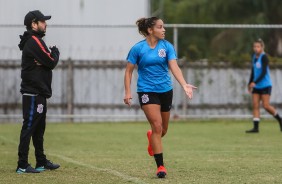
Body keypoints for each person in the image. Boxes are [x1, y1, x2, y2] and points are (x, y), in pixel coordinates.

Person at [124, 17, 196, 178]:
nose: (164, 30)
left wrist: (184, 84)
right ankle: (161, 167)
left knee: (163, 130)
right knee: (157, 126)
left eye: (163, 27)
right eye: (160, 27)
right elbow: (128, 71)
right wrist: (128, 92)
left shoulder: (167, 47)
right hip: (147, 91)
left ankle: (152, 137)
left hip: (165, 91)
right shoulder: (137, 49)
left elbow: (174, 66)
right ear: (150, 30)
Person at [16, 10, 60, 173]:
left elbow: (46, 62)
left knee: (39, 128)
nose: (45, 24)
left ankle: (41, 161)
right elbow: (50, 62)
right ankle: (22, 164)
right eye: (42, 21)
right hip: (33, 92)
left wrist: (48, 59)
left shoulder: (34, 41)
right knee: (29, 127)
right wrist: (55, 53)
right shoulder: (34, 41)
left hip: (38, 92)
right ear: (33, 24)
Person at [246, 38, 282, 133]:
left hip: (265, 85)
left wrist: (255, 82)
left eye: (258, 46)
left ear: (262, 47)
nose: (256, 48)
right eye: (254, 46)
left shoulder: (264, 57)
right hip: (257, 86)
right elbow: (253, 71)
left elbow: (263, 72)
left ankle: (280, 119)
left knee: (266, 106)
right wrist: (250, 82)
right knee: (255, 105)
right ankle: (256, 128)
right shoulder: (254, 57)